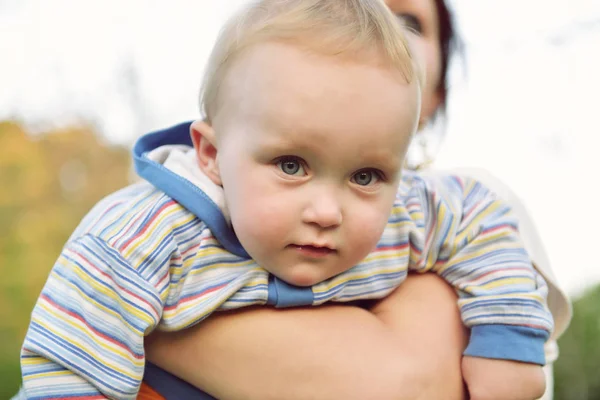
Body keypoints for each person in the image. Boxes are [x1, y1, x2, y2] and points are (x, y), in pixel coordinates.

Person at [14, 0, 558, 399]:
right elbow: (67, 370)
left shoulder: (414, 207)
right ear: (210, 154)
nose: (327, 211)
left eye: (366, 175)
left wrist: (505, 339)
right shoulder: (141, 237)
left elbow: (478, 218)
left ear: (429, 96)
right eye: (291, 166)